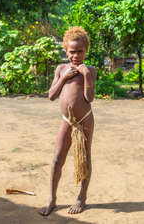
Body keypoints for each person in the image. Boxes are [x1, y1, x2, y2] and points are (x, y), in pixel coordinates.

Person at [39, 26, 96, 216]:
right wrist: (63, 78)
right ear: (66, 51)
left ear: (86, 50)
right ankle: (52, 199)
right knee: (57, 159)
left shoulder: (90, 70)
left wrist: (85, 74)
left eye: (80, 51)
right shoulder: (61, 69)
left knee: (84, 158)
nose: (76, 55)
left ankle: (82, 197)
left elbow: (89, 98)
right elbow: (51, 95)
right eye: (72, 52)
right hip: (67, 120)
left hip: (85, 121)